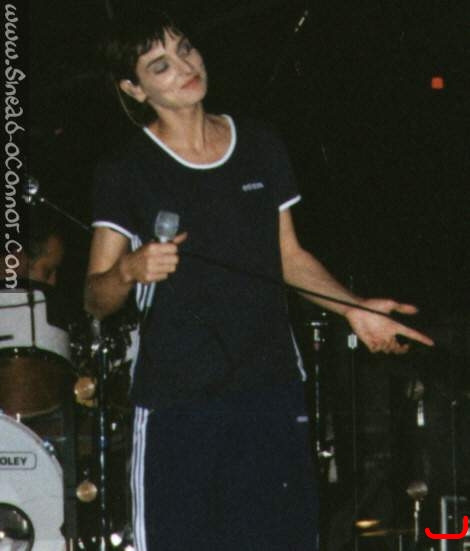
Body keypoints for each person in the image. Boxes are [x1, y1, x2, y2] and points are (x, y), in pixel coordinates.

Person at [85, 9, 433, 551]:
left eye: (185, 48)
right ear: (134, 89)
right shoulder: (126, 170)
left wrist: (354, 309)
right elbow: (95, 297)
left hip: (270, 392)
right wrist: (129, 270)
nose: (185, 66)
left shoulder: (260, 144)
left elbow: (290, 257)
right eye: (160, 65)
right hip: (179, 405)